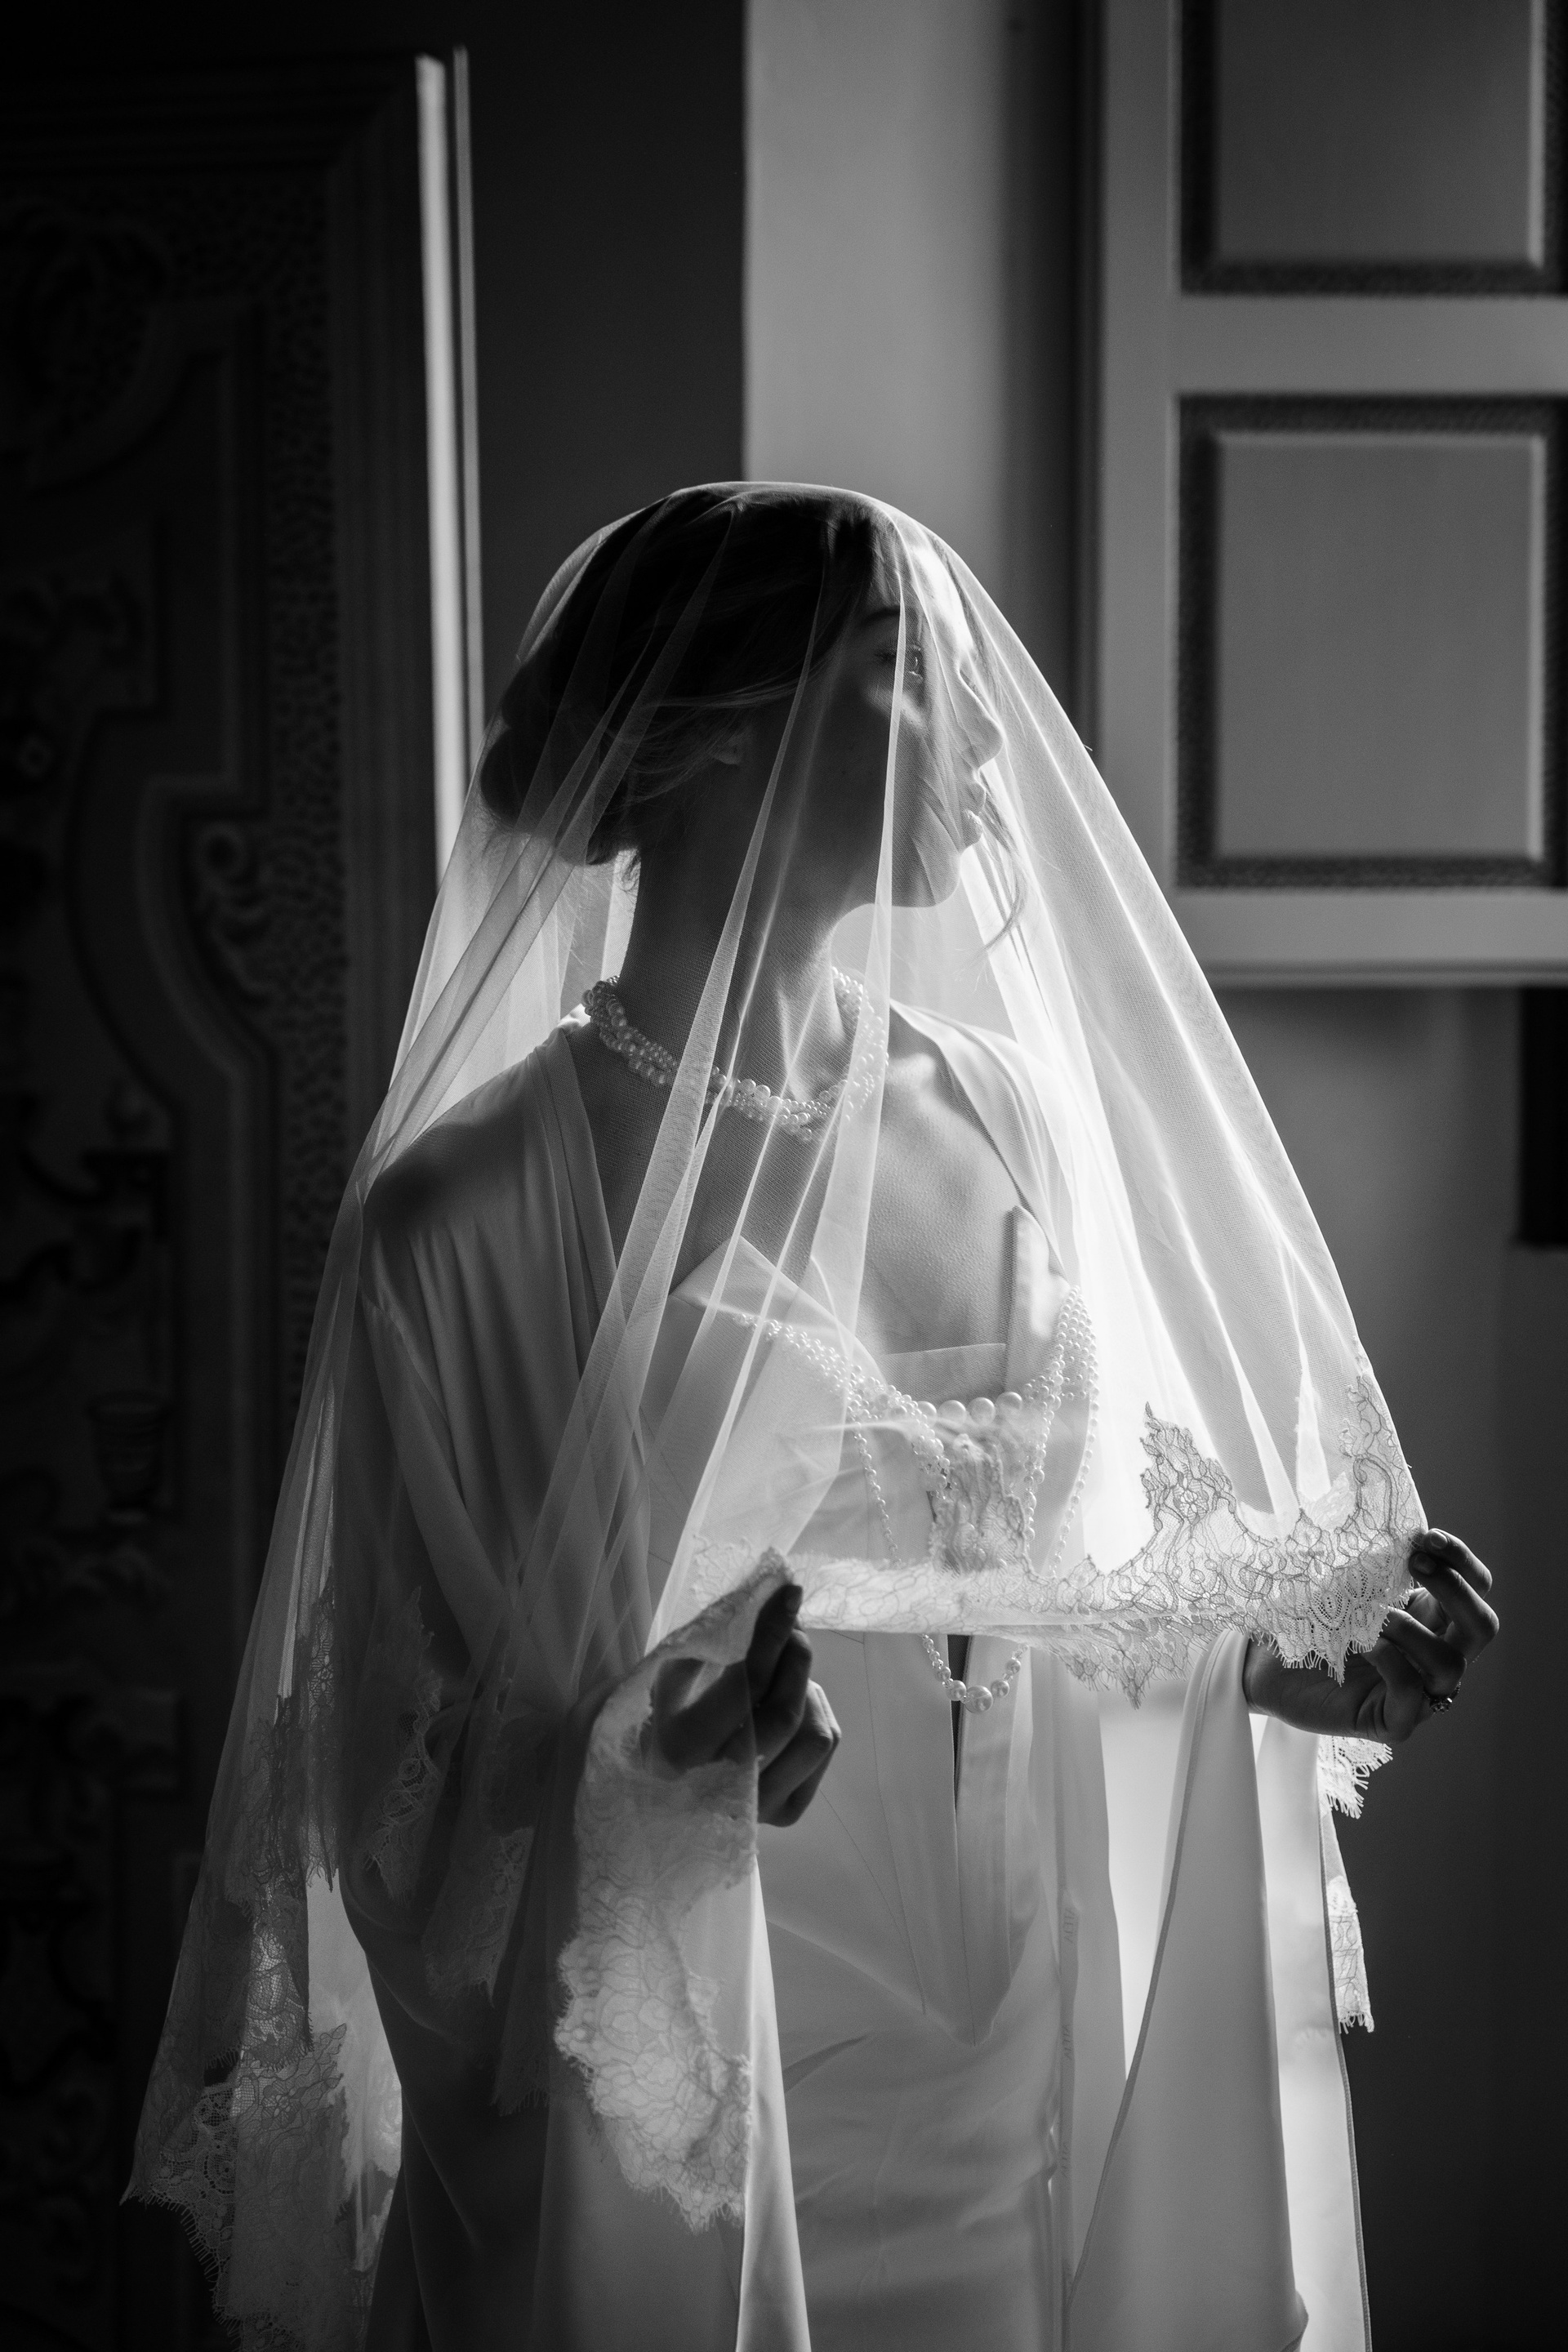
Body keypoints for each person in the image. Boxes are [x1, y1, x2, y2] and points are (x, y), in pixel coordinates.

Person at [130, 485, 1497, 2352]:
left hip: (1013, 2113)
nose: (987, 735)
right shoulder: (461, 1225)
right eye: (903, 671)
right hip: (693, 2151)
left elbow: (1054, 1593)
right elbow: (402, 1810)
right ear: (720, 725)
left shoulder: (1004, 1120)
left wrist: (1257, 1663)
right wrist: (658, 1764)